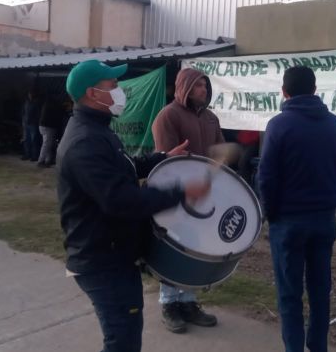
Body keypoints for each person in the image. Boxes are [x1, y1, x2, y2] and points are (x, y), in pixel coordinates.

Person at [57, 60, 211, 352]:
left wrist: (162, 158)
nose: (119, 90)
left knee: (124, 337)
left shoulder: (97, 130)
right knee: (122, 341)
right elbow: (121, 200)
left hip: (113, 254)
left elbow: (124, 167)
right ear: (93, 93)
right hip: (103, 261)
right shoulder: (85, 142)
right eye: (113, 85)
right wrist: (181, 193)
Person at [257, 66, 336, 352]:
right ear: (315, 90)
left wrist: (270, 213)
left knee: (289, 294)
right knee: (320, 291)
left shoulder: (278, 125)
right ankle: (318, 346)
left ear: (284, 92)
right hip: (324, 219)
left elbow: (266, 177)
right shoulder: (334, 124)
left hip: (288, 222)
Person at [151, 68, 223, 333]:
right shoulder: (168, 115)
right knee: (175, 248)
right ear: (184, 88)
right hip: (175, 192)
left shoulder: (211, 118)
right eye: (198, 85)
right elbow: (166, 159)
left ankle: (189, 302)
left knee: (197, 248)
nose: (203, 89)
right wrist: (182, 189)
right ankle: (169, 304)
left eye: (205, 85)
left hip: (204, 193)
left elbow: (218, 151)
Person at [37, 91, 64, 168]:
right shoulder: (53, 105)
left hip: (43, 125)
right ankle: (41, 161)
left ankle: (47, 160)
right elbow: (58, 114)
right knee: (47, 144)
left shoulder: (47, 103)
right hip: (48, 126)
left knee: (48, 144)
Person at [21, 89, 42, 162]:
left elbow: (38, 114)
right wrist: (23, 121)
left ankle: (34, 156)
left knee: (34, 141)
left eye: (32, 94)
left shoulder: (36, 103)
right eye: (29, 94)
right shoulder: (26, 102)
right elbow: (23, 112)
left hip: (33, 124)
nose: (30, 95)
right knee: (27, 140)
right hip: (26, 124)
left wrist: (36, 122)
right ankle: (27, 154)